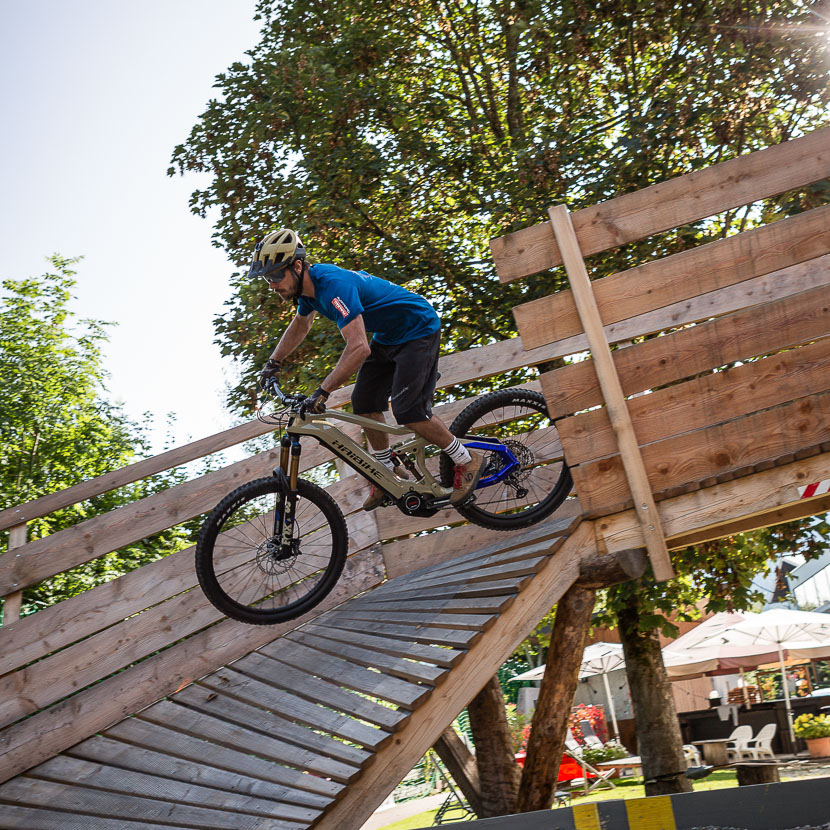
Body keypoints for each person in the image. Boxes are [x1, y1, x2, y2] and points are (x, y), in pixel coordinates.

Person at [250, 228, 485, 510]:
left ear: (297, 266)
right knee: (364, 403)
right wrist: (273, 362)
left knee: (409, 411)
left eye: (275, 276)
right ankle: (389, 473)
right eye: (267, 279)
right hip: (389, 336)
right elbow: (301, 325)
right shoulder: (307, 293)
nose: (272, 285)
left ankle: (467, 459)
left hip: (418, 329)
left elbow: (359, 347)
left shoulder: (333, 286)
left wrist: (323, 391)